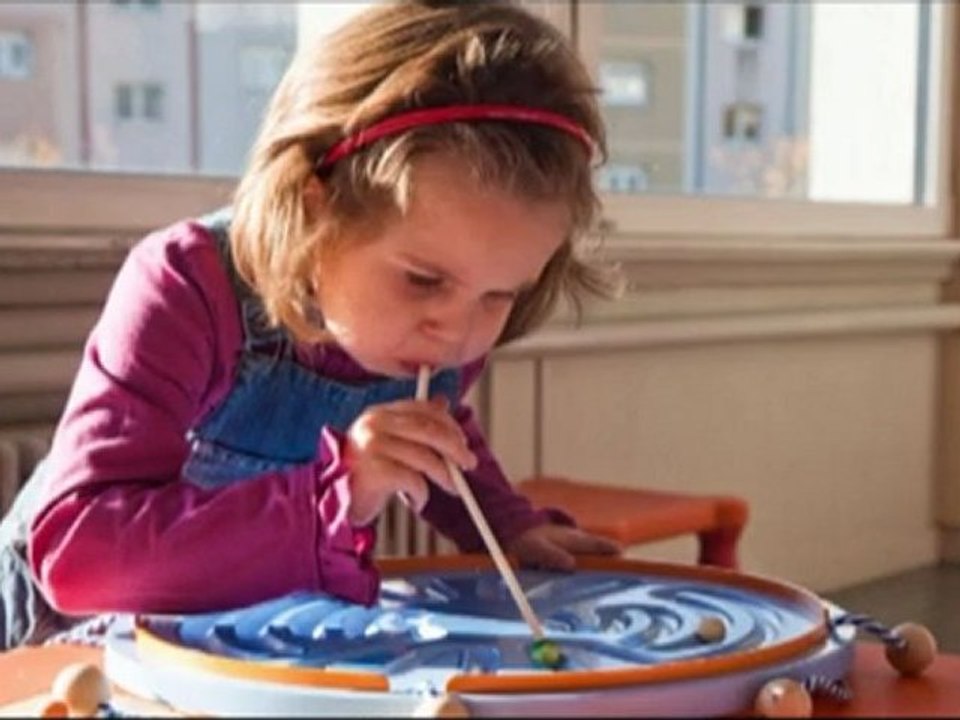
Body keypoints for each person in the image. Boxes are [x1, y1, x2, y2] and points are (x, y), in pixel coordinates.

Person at [0, 0, 622, 650]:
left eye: (500, 294)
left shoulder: (431, 328)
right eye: (423, 280)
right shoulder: (186, 285)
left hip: (226, 638)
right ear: (313, 207)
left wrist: (508, 525)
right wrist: (339, 489)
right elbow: (82, 557)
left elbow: (434, 430)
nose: (459, 332)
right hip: (54, 635)